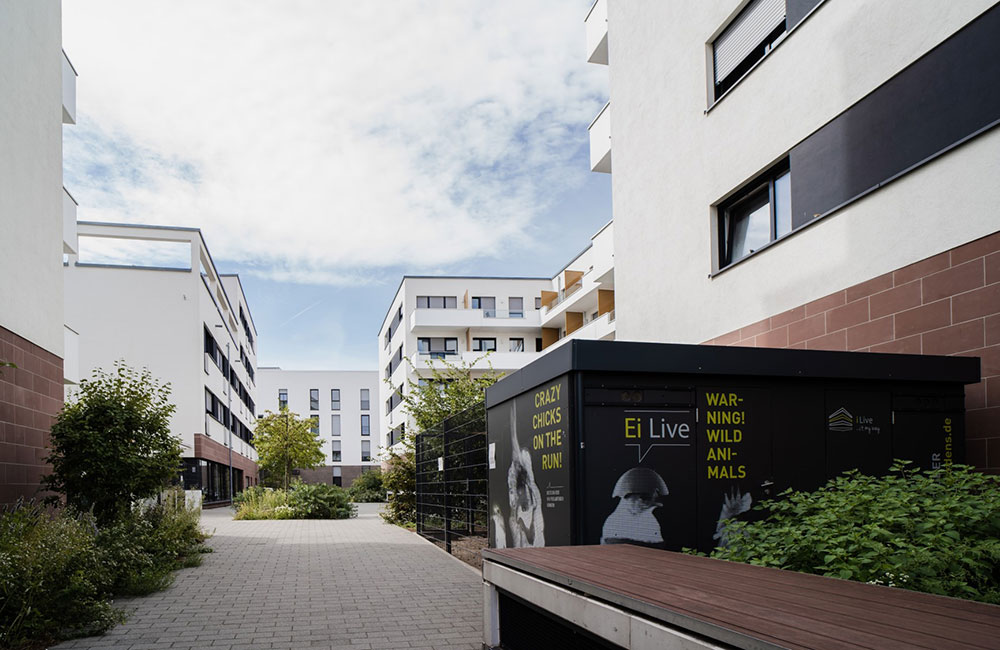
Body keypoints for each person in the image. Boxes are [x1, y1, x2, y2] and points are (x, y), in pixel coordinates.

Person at [601, 467, 668, 547]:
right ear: (627, 497)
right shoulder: (615, 523)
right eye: (644, 498)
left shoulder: (651, 523)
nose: (652, 501)